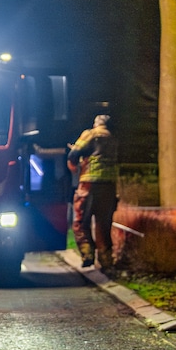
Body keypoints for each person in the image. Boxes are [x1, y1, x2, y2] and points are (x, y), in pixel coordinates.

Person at [66, 114, 119, 270]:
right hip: (109, 186)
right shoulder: (114, 139)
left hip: (89, 185)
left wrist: (74, 164)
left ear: (96, 124)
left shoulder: (90, 134)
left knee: (80, 221)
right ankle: (106, 259)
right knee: (103, 223)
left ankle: (87, 254)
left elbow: (73, 154)